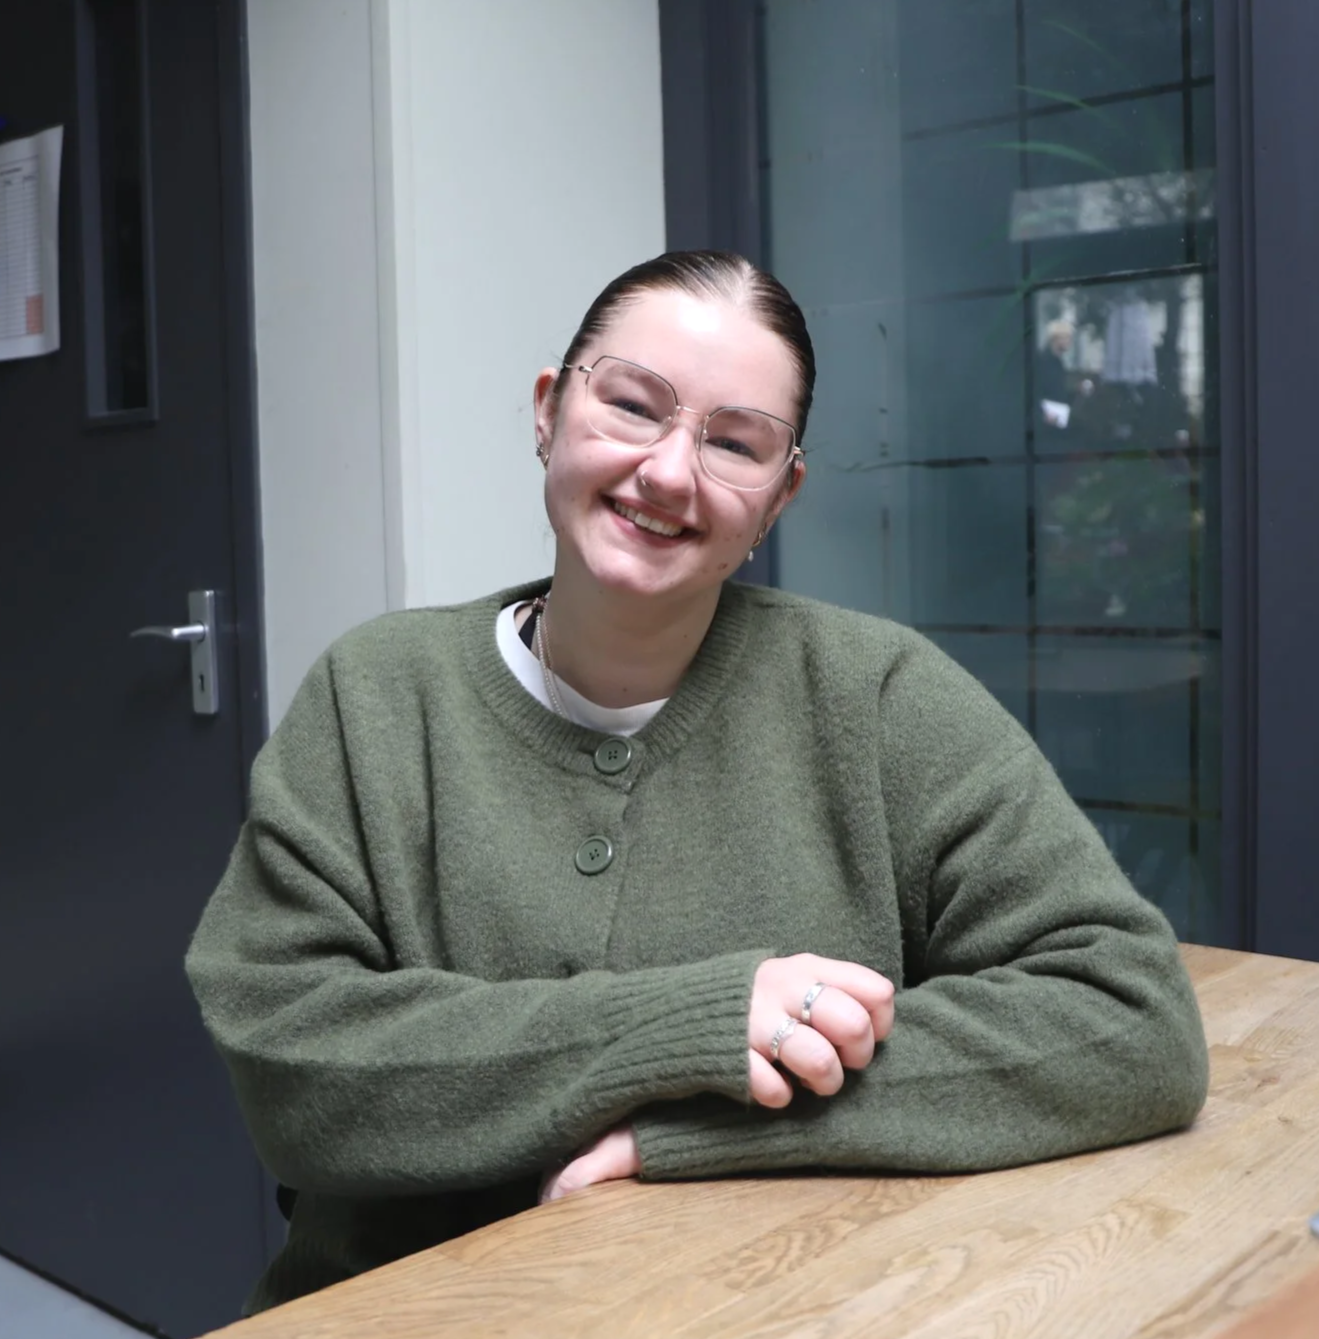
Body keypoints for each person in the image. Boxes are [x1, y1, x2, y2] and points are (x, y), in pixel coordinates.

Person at [185, 250, 1209, 1313]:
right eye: (632, 406)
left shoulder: (878, 697)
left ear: (779, 496)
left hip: (772, 1306)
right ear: (548, 412)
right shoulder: (376, 695)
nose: (671, 472)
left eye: (733, 443)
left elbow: (1127, 1018)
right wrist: (692, 1024)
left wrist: (688, 1132)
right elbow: (290, 1059)